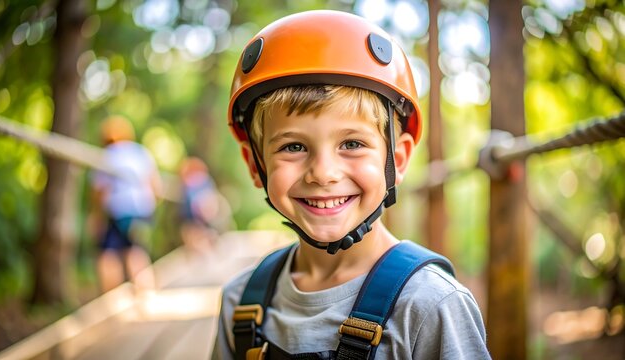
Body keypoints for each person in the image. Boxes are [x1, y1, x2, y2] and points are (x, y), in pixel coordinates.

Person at [213, 10, 490, 359]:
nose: (323, 173)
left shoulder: (431, 307)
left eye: (352, 144)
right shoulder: (239, 302)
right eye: (293, 147)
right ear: (256, 164)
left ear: (398, 159)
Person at [88, 115, 161, 294]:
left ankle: (112, 298)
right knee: (136, 253)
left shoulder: (107, 156)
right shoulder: (141, 153)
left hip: (118, 212)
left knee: (108, 256)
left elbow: (99, 192)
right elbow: (156, 187)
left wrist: (97, 217)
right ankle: (147, 294)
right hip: (142, 211)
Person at [178, 156, 227, 255]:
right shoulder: (203, 181)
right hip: (197, 219)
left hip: (198, 219)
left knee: (198, 240)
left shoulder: (197, 182)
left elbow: (202, 203)